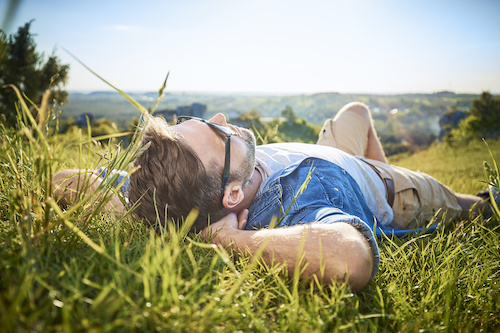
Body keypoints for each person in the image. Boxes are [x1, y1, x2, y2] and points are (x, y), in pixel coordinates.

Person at [53, 102, 491, 291]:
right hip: (393, 190)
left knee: (356, 112)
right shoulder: (298, 202)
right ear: (232, 195)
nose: (223, 118)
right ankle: (481, 207)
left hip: (334, 150)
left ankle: (379, 171)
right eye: (220, 134)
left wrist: (142, 214)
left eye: (202, 120)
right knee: (469, 206)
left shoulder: (160, 185)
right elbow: (349, 260)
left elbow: (62, 179)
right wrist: (227, 240)